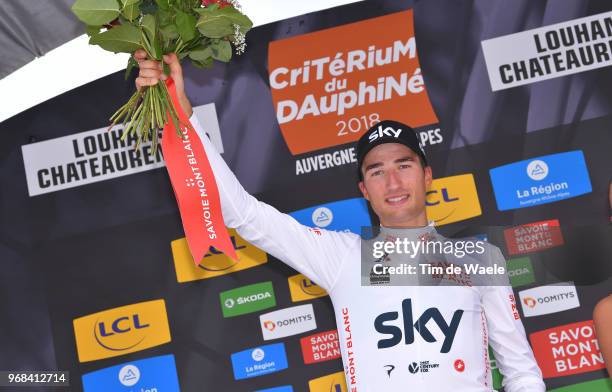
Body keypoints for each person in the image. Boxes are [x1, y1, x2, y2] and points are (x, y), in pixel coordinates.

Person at [134, 50, 546, 391]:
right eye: (376, 171)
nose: (393, 181)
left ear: (427, 175)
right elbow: (243, 213)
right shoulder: (344, 256)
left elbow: (522, 372)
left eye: (404, 165)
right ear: (364, 191)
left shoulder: (477, 259)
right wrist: (183, 120)